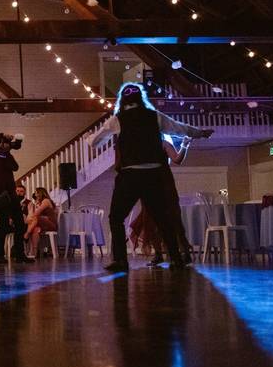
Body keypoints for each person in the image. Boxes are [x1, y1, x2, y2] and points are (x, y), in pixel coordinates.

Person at [90, 83, 213, 272]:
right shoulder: (154, 116)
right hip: (154, 174)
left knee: (116, 217)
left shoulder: (117, 119)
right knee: (163, 218)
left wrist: (90, 139)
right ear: (141, 98)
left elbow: (96, 141)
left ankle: (121, 261)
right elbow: (179, 128)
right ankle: (176, 258)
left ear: (122, 100)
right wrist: (200, 133)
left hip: (130, 175)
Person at [128, 136, 194, 266]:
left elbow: (177, 159)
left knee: (173, 219)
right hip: (148, 185)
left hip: (164, 185)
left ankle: (184, 253)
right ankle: (158, 254)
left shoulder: (163, 143)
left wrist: (184, 145)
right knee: (149, 220)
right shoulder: (141, 147)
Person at [0, 132, 34, 264]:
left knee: (20, 225)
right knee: (4, 225)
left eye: (7, 144)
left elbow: (15, 167)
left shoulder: (7, 157)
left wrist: (8, 152)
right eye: (3, 143)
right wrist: (1, 134)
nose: (5, 145)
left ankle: (19, 254)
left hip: (11, 195)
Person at [24, 187, 58, 257]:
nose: (35, 195)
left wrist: (35, 207)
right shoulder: (40, 202)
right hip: (43, 223)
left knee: (35, 218)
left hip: (51, 224)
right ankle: (35, 252)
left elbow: (36, 213)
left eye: (36, 193)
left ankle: (26, 234)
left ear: (40, 193)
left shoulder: (46, 201)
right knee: (35, 229)